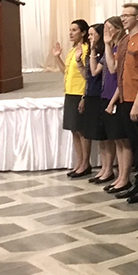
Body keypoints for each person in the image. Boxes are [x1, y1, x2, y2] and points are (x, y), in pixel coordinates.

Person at [108, 3, 138, 202]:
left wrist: (136, 102)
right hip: (125, 97)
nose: (123, 18)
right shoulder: (125, 39)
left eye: (128, 15)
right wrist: (108, 44)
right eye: (122, 15)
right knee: (134, 145)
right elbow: (114, 70)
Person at [53, 19, 91, 178]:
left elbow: (88, 76)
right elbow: (66, 72)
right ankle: (79, 161)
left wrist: (84, 96)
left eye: (74, 30)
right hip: (69, 93)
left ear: (83, 33)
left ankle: (85, 164)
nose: (70, 33)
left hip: (80, 93)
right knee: (74, 130)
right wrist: (57, 57)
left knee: (82, 130)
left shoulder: (85, 49)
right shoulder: (72, 50)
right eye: (70, 30)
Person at [97, 16, 132, 194]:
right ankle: (119, 176)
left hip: (118, 97)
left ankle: (125, 177)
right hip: (108, 94)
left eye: (109, 28)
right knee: (117, 140)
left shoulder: (122, 47)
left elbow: (116, 72)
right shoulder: (112, 47)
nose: (106, 32)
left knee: (124, 140)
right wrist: (107, 44)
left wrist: (112, 101)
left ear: (118, 29)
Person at [80, 23, 113, 185]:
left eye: (92, 35)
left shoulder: (102, 52)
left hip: (101, 95)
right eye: (89, 35)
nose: (90, 38)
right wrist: (81, 61)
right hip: (92, 94)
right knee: (99, 137)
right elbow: (88, 75)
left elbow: (95, 72)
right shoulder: (92, 53)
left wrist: (92, 50)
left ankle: (108, 169)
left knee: (105, 136)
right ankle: (104, 169)